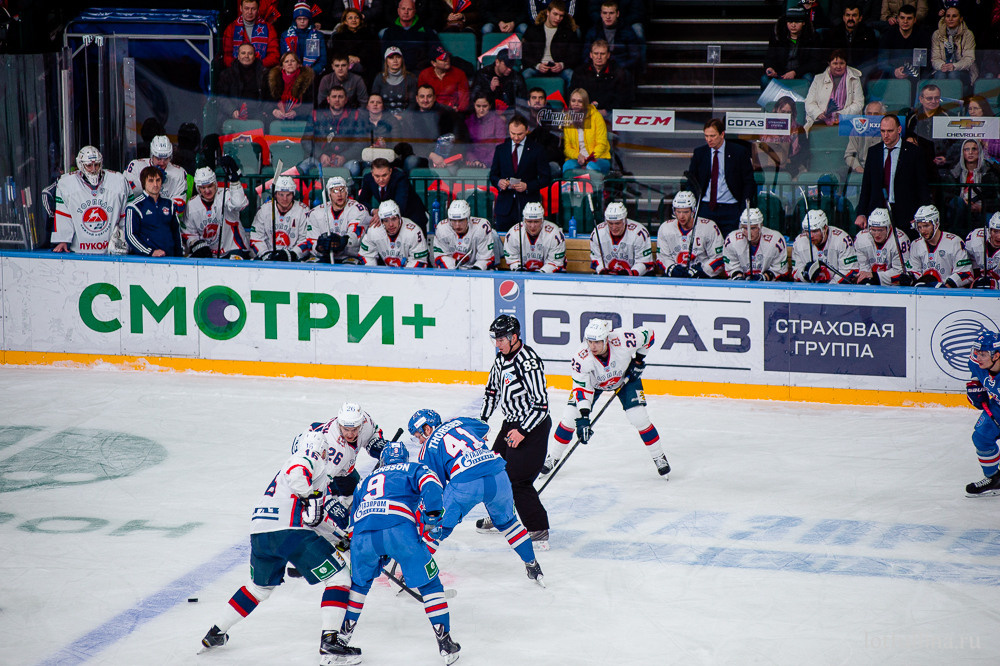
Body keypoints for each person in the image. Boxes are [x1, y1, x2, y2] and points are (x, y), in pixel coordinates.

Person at [198, 431, 359, 664]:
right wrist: (310, 495)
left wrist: (338, 537)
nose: (326, 454)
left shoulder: (296, 478)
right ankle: (330, 642)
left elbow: (314, 518)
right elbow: (299, 474)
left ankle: (216, 632)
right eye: (325, 450)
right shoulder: (307, 458)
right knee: (339, 577)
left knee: (258, 589)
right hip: (290, 532)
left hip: (260, 535)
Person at [337, 442, 461, 665]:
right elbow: (432, 485)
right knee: (430, 584)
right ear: (404, 458)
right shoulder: (413, 468)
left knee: (359, 586)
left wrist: (375, 549)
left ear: (383, 460)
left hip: (363, 535)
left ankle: (341, 640)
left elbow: (352, 521)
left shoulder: (364, 481)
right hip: (399, 529)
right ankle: (445, 643)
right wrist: (433, 516)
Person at [408, 410, 544, 585]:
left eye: (419, 436)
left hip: (465, 482)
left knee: (437, 528)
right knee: (509, 523)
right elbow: (484, 427)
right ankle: (533, 565)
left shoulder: (427, 449)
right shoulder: (458, 420)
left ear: (427, 429)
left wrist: (426, 514)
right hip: (498, 473)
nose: (420, 441)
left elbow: (435, 487)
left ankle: (415, 570)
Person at [544, 318, 670, 477]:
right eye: (590, 342)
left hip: (624, 379)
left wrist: (638, 361)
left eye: (597, 342)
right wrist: (584, 416)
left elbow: (649, 335)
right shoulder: (581, 358)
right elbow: (582, 388)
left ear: (606, 339)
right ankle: (553, 456)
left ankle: (659, 456)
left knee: (639, 418)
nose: (592, 346)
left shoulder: (624, 340)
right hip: (594, 385)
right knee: (570, 418)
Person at [478, 314, 551, 550]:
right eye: (495, 339)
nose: (497, 344)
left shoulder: (528, 362)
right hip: (510, 424)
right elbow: (492, 392)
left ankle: (538, 529)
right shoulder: (501, 359)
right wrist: (481, 424)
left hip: (533, 426)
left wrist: (522, 431)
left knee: (518, 480)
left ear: (514, 337)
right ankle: (501, 515)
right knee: (493, 471)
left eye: (501, 339)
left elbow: (541, 405)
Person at [855, 114, 929, 231]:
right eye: (882, 131)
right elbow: (866, 186)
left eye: (890, 131)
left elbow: (922, 186)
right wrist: (862, 213)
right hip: (878, 212)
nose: (886, 135)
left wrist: (921, 214)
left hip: (906, 213)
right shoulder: (874, 152)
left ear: (899, 130)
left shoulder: (914, 152)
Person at [51, 146, 130, 255]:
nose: (93, 169)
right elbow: (63, 214)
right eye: (89, 165)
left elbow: (127, 215)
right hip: (80, 251)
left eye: (96, 165)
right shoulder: (66, 184)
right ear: (81, 165)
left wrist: (126, 239)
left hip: (111, 251)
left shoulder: (119, 181)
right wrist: (63, 240)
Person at [686, 118, 756, 238]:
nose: (709, 139)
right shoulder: (700, 153)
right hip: (706, 207)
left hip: (731, 208)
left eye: (712, 136)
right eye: (706, 136)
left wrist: (743, 208)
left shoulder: (739, 152)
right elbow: (692, 180)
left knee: (731, 242)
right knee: (704, 241)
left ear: (722, 134)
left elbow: (748, 182)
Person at [489, 114, 551, 232]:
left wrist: (527, 186)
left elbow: (545, 178)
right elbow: (493, 175)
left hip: (528, 206)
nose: (516, 137)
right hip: (504, 208)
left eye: (520, 134)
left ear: (527, 130)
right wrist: (499, 182)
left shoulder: (537, 149)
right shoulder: (501, 149)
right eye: (513, 133)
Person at [182, 160, 252, 259]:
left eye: (210, 186)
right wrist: (195, 243)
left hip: (234, 248)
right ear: (198, 188)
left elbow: (239, 204)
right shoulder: (192, 204)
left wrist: (235, 182)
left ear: (215, 183)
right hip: (209, 253)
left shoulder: (226, 194)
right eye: (203, 187)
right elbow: (188, 231)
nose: (207, 191)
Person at [963, 330, 1000, 496]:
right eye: (977, 352)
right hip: (997, 406)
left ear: (996, 355)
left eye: (983, 354)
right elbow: (976, 373)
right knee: (981, 437)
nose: (978, 357)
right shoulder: (976, 363)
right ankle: (994, 479)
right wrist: (975, 384)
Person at [655, 190, 725, 279]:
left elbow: (719, 258)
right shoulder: (665, 228)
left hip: (703, 278)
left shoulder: (709, 227)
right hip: (675, 278)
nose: (681, 216)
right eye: (678, 211)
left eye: (685, 212)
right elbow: (662, 257)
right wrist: (672, 268)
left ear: (693, 211)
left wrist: (702, 270)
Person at [305, 176, 373, 264]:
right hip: (324, 256)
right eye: (335, 191)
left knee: (350, 266)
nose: (339, 194)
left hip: (349, 256)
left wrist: (342, 241)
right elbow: (311, 242)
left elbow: (356, 236)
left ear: (347, 192)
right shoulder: (316, 213)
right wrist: (319, 247)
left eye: (342, 190)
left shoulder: (358, 209)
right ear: (329, 195)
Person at [906, 204, 973, 286]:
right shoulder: (916, 244)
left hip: (948, 292)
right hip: (924, 291)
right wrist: (910, 277)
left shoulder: (954, 242)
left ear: (936, 223)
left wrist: (946, 287)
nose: (923, 231)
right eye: (920, 227)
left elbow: (966, 272)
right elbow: (915, 271)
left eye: (926, 226)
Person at [124, 167, 183, 258]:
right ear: (143, 183)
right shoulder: (134, 206)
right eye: (151, 181)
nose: (155, 184)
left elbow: (176, 232)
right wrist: (150, 252)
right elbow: (130, 236)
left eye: (158, 180)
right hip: (146, 260)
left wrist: (179, 256)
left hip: (170, 259)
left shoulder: (169, 204)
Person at [303, 86, 364, 173]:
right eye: (334, 96)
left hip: (346, 160)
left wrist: (344, 156)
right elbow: (306, 141)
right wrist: (320, 155)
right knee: (304, 166)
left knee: (354, 167)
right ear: (328, 99)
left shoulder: (356, 116)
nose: (337, 100)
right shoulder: (316, 115)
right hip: (319, 158)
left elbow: (361, 142)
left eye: (340, 97)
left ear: (346, 100)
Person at [906, 84, 957, 188]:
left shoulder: (950, 117)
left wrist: (947, 157)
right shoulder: (912, 118)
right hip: (918, 167)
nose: (933, 101)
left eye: (937, 98)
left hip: (942, 167)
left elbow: (957, 142)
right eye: (929, 98)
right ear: (921, 99)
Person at [569, 40, 634, 120]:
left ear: (608, 55)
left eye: (602, 54)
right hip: (585, 112)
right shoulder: (580, 72)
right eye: (596, 53)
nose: (599, 57)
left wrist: (606, 110)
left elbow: (623, 99)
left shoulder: (619, 73)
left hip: (609, 113)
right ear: (591, 55)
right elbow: (573, 93)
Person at [249, 175, 311, 260]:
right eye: (281, 194)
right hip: (268, 257)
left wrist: (292, 254)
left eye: (288, 195)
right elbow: (256, 237)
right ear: (275, 194)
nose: (284, 199)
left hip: (294, 259)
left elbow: (306, 239)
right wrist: (265, 254)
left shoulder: (303, 211)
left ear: (293, 194)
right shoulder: (264, 210)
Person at [520, 0, 581, 85]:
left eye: (561, 16)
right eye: (555, 14)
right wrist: (537, 65)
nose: (558, 18)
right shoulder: (534, 30)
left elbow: (575, 55)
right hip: (537, 67)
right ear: (548, 12)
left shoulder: (568, 32)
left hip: (559, 69)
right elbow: (525, 54)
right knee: (526, 74)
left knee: (570, 74)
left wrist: (562, 65)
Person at [947, 139, 1000, 236]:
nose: (970, 152)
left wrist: (982, 207)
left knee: (990, 219)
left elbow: (996, 200)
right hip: (961, 207)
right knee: (957, 203)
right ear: (963, 153)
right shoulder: (954, 172)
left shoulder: (990, 172)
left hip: (982, 208)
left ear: (979, 151)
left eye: (974, 149)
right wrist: (963, 202)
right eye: (967, 149)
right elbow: (947, 195)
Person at [124, 135, 188, 215]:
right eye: (159, 158)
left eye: (166, 159)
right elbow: (127, 195)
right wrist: (149, 182)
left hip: (165, 219)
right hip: (139, 217)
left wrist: (157, 213)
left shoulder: (179, 173)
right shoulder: (135, 166)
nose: (162, 163)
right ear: (152, 155)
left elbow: (180, 206)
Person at [804, 49, 865, 132]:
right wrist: (818, 113)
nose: (838, 66)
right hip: (820, 122)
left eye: (841, 63)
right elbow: (809, 102)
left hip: (846, 121)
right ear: (829, 64)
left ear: (846, 64)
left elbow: (859, 103)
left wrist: (841, 115)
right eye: (835, 63)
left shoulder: (854, 79)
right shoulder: (818, 79)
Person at [791, 209, 859, 283]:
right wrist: (805, 275)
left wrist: (829, 286)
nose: (811, 236)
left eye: (815, 231)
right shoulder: (799, 242)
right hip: (809, 288)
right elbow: (796, 271)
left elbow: (850, 270)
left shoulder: (842, 239)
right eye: (808, 231)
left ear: (825, 228)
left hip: (836, 288)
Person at [358, 157, 429, 227]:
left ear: (390, 171)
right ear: (372, 173)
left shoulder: (400, 178)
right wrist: (373, 211)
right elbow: (362, 201)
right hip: (389, 218)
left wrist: (381, 214)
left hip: (412, 216)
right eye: (377, 176)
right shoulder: (368, 179)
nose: (381, 179)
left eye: (384, 175)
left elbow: (400, 205)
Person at [358, 199, 431, 267]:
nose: (391, 224)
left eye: (394, 219)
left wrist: (403, 275)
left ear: (399, 217)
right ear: (381, 221)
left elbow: (419, 261)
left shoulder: (414, 232)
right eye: (386, 220)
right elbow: (366, 255)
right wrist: (373, 273)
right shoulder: (374, 231)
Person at [722, 207, 789, 280]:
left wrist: (765, 277)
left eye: (753, 228)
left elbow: (779, 268)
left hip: (769, 284)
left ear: (761, 226)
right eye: (745, 228)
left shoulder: (776, 240)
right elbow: (733, 267)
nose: (748, 232)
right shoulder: (731, 240)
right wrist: (738, 277)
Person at [590, 201, 655, 275]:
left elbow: (644, 262)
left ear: (625, 219)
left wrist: (631, 273)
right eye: (610, 223)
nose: (614, 227)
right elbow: (596, 259)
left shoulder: (639, 233)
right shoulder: (597, 233)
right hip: (609, 276)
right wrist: (602, 270)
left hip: (637, 277)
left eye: (617, 223)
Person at [853, 207, 913, 285]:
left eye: (880, 230)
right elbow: (863, 270)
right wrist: (867, 277)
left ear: (889, 227)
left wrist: (874, 276)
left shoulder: (900, 240)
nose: (877, 234)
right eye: (873, 230)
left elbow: (901, 272)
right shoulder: (861, 239)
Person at [762, 7, 822, 84]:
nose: (793, 25)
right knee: (765, 79)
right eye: (790, 22)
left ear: (803, 23)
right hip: (780, 72)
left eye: (797, 22)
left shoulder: (812, 38)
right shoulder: (778, 37)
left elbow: (815, 62)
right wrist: (770, 68)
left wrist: (795, 72)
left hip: (801, 73)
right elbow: (769, 57)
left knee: (809, 77)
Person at [755, 95, 810, 179]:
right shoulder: (764, 127)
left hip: (789, 165)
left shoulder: (799, 129)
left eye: (788, 112)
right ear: (776, 110)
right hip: (766, 164)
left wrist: (789, 160)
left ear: (793, 113)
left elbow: (804, 152)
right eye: (783, 112)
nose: (785, 115)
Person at [381, 0, 442, 73]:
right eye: (403, 9)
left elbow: (436, 50)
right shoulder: (389, 32)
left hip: (420, 71)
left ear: (414, 11)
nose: (406, 12)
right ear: (398, 11)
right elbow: (385, 54)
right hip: (397, 71)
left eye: (409, 9)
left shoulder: (426, 30)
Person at [583, 0, 643, 74]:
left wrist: (620, 66)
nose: (608, 17)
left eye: (611, 13)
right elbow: (586, 56)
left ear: (617, 14)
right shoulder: (593, 32)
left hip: (621, 69)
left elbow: (635, 56)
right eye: (605, 13)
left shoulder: (627, 31)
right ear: (601, 14)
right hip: (599, 70)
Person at [503, 201, 566, 272]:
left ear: (542, 220)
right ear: (524, 221)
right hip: (523, 275)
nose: (532, 226)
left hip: (550, 276)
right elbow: (512, 259)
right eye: (529, 221)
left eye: (536, 221)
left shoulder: (554, 234)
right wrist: (518, 268)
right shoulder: (513, 234)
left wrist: (540, 274)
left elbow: (555, 262)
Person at [433, 199, 496, 269]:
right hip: (452, 269)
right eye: (454, 221)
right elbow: (440, 256)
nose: (457, 226)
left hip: (477, 271)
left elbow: (486, 258)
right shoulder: (442, 229)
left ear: (468, 219)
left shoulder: (481, 228)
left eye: (461, 220)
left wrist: (474, 272)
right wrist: (455, 269)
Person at [216, 43, 269, 127]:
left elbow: (268, 97)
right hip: (232, 113)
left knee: (265, 121)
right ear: (238, 56)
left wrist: (266, 110)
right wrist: (232, 111)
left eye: (250, 53)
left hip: (257, 113)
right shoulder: (227, 74)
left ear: (254, 56)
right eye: (243, 53)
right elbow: (221, 97)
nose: (246, 56)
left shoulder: (264, 74)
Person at [562, 88, 611, 176]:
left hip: (598, 158)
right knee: (568, 166)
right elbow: (567, 147)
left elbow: (602, 144)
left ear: (585, 103)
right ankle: (570, 186)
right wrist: (578, 156)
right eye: (573, 101)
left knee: (591, 166)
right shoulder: (567, 118)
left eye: (580, 101)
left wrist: (589, 158)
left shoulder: (596, 117)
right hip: (577, 159)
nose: (576, 104)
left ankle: (594, 186)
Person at [929, 5, 978, 93]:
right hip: (942, 69)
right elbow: (935, 58)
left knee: (953, 74)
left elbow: (969, 59)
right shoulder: (936, 34)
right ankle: (940, 101)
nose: (950, 19)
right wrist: (942, 65)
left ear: (961, 18)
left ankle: (954, 101)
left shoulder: (968, 34)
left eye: (954, 16)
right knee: (940, 74)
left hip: (963, 70)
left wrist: (954, 66)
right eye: (948, 16)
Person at [877, 3, 932, 81]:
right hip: (891, 77)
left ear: (914, 20)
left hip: (915, 76)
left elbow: (922, 64)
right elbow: (882, 62)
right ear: (898, 19)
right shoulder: (888, 35)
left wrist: (908, 71)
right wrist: (894, 71)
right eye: (902, 18)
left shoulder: (922, 36)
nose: (905, 21)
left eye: (909, 18)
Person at [328, 8, 381, 86]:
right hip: (345, 63)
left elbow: (372, 52)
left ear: (360, 20)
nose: (354, 20)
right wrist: (348, 57)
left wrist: (359, 58)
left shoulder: (369, 35)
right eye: (350, 18)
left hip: (364, 64)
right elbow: (336, 53)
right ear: (345, 21)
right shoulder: (338, 36)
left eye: (356, 17)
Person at [222, 0, 280, 69]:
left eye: (253, 9)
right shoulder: (231, 29)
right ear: (241, 8)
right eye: (246, 8)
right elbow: (227, 56)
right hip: (237, 71)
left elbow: (274, 56)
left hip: (261, 70)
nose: (250, 12)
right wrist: (241, 67)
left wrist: (256, 65)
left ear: (258, 9)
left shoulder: (269, 28)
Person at [822, 2, 879, 72]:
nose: (850, 18)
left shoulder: (868, 34)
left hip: (861, 70)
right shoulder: (833, 33)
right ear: (843, 17)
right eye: (848, 15)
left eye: (854, 15)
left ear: (860, 18)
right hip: (838, 70)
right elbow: (826, 57)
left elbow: (871, 59)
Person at [469, 49, 526, 113]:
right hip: (488, 113)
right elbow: (474, 99)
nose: (509, 69)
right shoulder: (483, 75)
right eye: (507, 65)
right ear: (497, 62)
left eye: (511, 66)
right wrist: (490, 90)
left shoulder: (517, 77)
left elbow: (523, 100)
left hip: (510, 113)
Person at [417, 46, 469, 112]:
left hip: (453, 112)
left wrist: (458, 110)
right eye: (442, 59)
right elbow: (421, 97)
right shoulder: (424, 74)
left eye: (447, 57)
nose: (447, 60)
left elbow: (464, 99)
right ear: (434, 63)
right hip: (431, 111)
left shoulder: (460, 74)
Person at [280, 2, 327, 75]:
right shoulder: (285, 35)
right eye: (299, 19)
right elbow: (283, 57)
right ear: (295, 20)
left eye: (305, 19)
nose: (302, 21)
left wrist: (310, 72)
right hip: (291, 73)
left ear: (309, 19)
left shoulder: (318, 36)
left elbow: (322, 60)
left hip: (312, 74)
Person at [268, 52, 315, 121]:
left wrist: (297, 112)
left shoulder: (307, 81)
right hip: (277, 119)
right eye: (286, 61)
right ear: (282, 66)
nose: (289, 63)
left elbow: (309, 104)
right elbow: (266, 103)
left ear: (298, 65)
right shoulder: (274, 80)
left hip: (300, 119)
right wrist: (274, 111)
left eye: (293, 61)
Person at [371, 46, 419, 112]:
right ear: (386, 61)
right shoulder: (379, 78)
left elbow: (413, 103)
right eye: (391, 58)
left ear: (402, 60)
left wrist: (404, 116)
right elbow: (374, 100)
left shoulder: (410, 78)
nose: (395, 61)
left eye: (398, 57)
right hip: (384, 115)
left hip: (405, 116)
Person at [464, 95, 507, 168]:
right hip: (472, 163)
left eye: (484, 106)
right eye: (478, 106)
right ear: (474, 105)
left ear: (490, 105)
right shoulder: (468, 122)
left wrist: (486, 162)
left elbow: (499, 146)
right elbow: (465, 146)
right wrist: (474, 161)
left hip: (493, 162)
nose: (481, 109)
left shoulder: (498, 122)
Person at [844, 101, 886, 175]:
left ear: (882, 116)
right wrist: (858, 168)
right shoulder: (857, 130)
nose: (872, 117)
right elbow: (849, 155)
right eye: (869, 114)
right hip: (861, 168)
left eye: (876, 114)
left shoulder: (887, 132)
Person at [966, 212, 1000, 289]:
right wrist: (974, 279)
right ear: (989, 231)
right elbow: (967, 264)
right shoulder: (975, 240)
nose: (999, 236)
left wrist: (996, 284)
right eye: (995, 231)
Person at [965, 95, 1000, 162]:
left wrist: (984, 143)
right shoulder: (969, 127)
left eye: (975, 108)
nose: (972, 112)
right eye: (970, 109)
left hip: (993, 164)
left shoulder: (996, 124)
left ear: (983, 109)